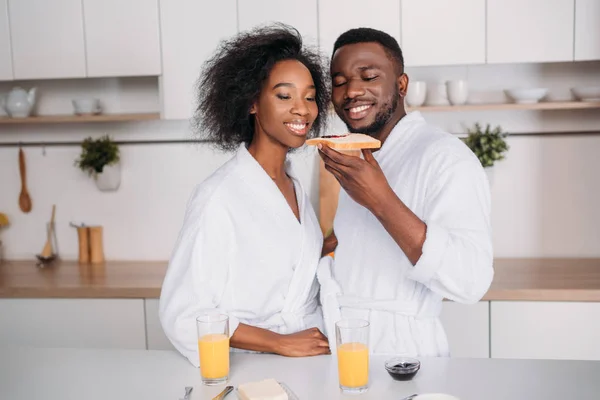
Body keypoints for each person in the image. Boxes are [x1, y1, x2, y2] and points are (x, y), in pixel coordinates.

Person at [159, 24, 332, 367]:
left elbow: (281, 262)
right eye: (285, 96)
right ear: (252, 102)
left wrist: (325, 248)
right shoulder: (218, 196)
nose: (302, 109)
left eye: (309, 97)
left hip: (312, 356)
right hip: (251, 363)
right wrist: (279, 342)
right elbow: (185, 312)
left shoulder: (293, 185)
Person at [316, 28, 494, 357]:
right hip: (346, 348)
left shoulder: (446, 157)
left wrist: (380, 200)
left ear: (401, 86)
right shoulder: (362, 156)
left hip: (404, 354)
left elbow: (472, 281)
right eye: (339, 82)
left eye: (368, 76)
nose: (352, 90)